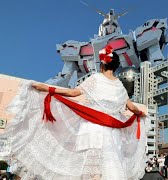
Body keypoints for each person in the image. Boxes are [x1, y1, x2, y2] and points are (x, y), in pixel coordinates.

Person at [2, 45, 149, 179]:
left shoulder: (96, 78)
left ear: (103, 64)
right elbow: (132, 108)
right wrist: (141, 114)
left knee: (92, 170)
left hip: (93, 129)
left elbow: (73, 93)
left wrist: (47, 88)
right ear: (116, 66)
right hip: (113, 133)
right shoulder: (120, 86)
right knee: (110, 167)